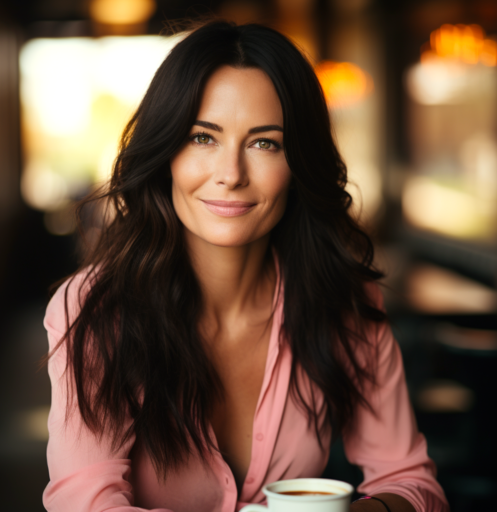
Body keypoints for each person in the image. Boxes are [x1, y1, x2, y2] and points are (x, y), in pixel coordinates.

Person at [42, 20, 449, 512]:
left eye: (264, 143)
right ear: (166, 150)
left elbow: (413, 485)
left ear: (297, 165)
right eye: (201, 138)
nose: (231, 175)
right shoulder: (97, 309)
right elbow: (86, 502)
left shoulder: (345, 302)